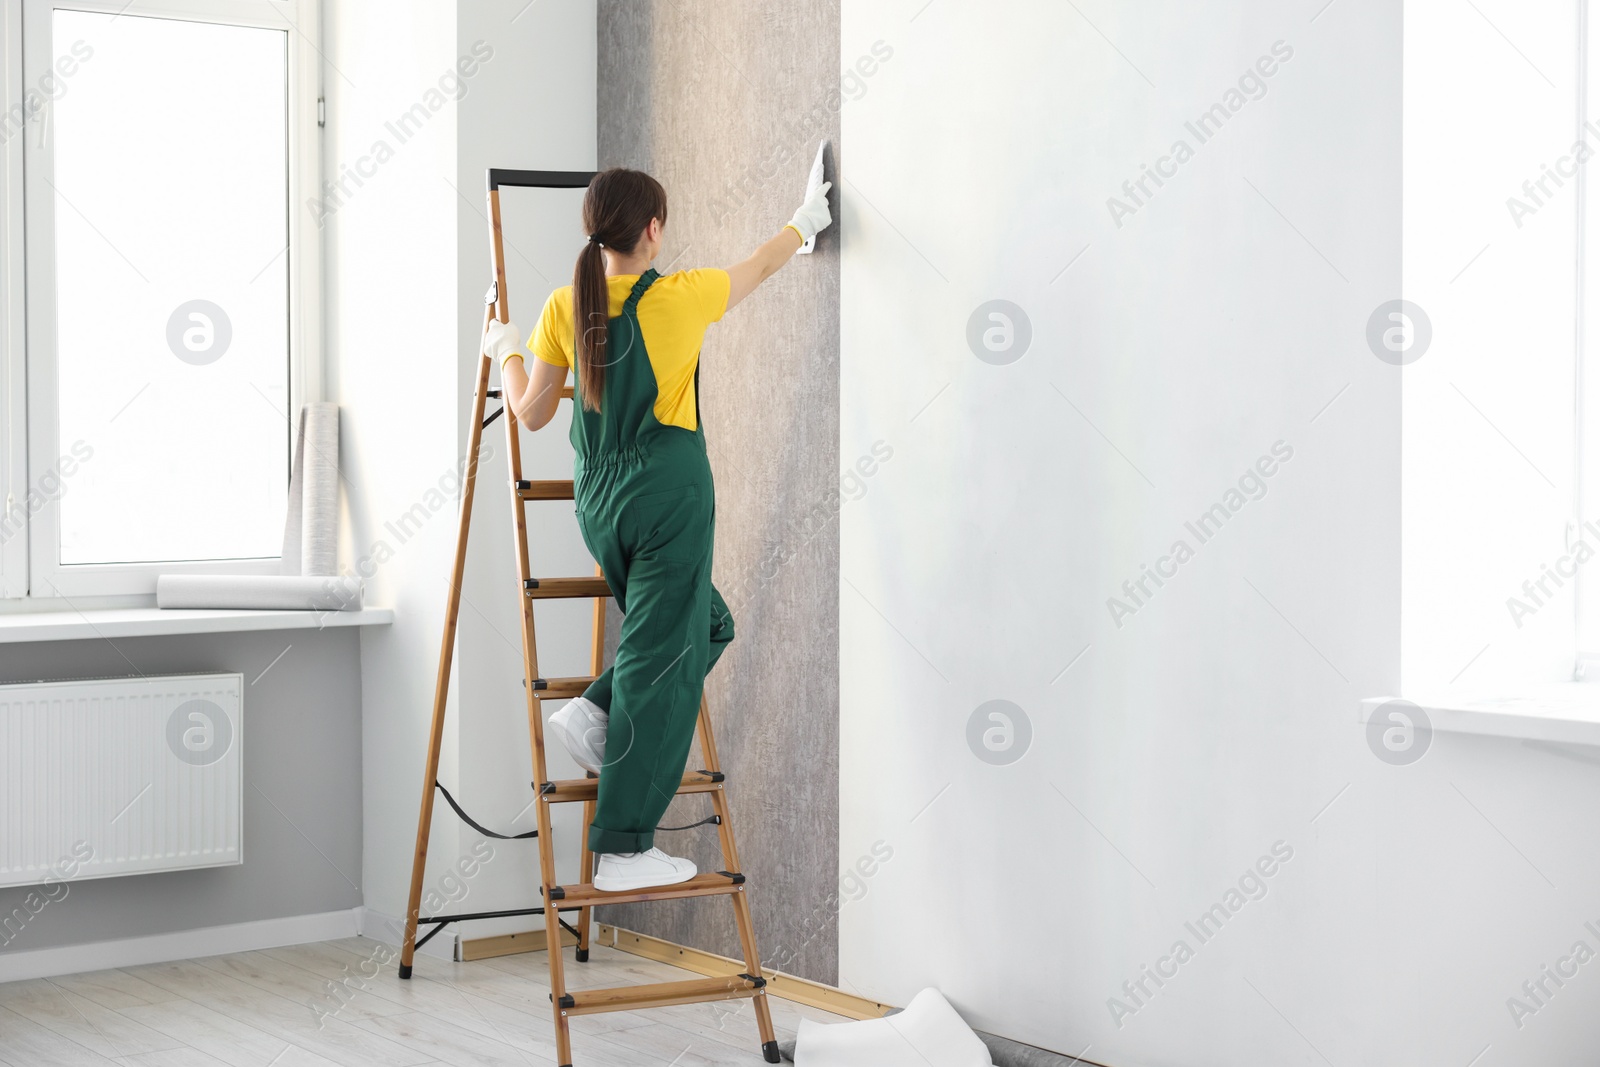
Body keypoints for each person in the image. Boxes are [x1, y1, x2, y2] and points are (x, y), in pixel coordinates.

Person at [484, 165, 832, 892]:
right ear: (652, 230)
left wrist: (505, 348)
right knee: (658, 657)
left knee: (705, 627)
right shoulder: (683, 295)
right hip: (670, 497)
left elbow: (533, 411)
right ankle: (623, 847)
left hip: (601, 505)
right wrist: (805, 221)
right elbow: (761, 265)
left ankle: (594, 709)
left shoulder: (563, 306)